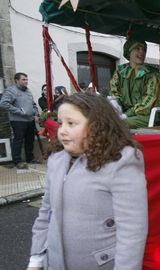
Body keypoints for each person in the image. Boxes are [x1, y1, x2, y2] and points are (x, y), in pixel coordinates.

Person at [27, 93, 148, 270]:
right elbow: (46, 213)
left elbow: (132, 231)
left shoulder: (121, 162)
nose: (62, 130)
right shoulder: (57, 160)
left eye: (71, 123)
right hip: (54, 262)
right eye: (60, 123)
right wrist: (36, 259)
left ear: (97, 126)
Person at [110, 38, 160, 128]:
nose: (141, 52)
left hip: (148, 115)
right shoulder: (120, 71)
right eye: (137, 49)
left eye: (144, 50)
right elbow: (114, 92)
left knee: (119, 124)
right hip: (125, 113)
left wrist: (127, 114)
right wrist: (115, 105)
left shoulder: (152, 74)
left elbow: (149, 99)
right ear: (129, 52)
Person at [0, 72, 38, 169]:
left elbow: (33, 104)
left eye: (27, 79)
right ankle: (17, 161)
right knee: (18, 141)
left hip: (30, 120)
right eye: (24, 79)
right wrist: (19, 111)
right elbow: (3, 103)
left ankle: (30, 158)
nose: (26, 81)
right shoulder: (11, 91)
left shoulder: (28, 91)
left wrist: (34, 110)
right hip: (18, 121)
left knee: (30, 140)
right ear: (17, 80)